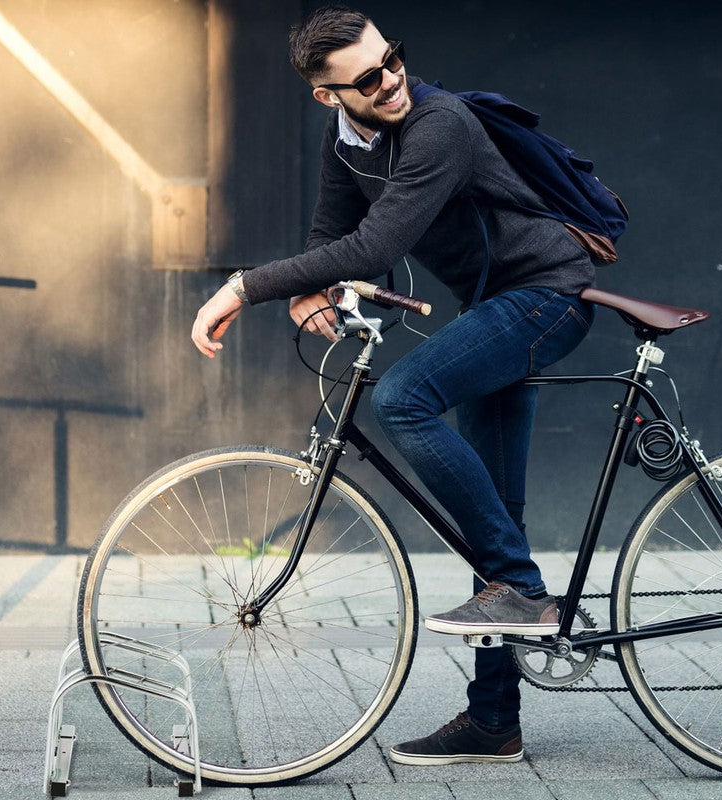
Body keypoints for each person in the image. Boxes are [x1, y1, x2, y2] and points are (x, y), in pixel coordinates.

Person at [192, 4, 595, 767]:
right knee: (492, 513)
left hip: (547, 295)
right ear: (329, 96)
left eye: (393, 60)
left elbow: (379, 243)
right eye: (368, 79)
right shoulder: (345, 136)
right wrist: (312, 285)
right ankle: (493, 722)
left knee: (403, 397)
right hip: (497, 306)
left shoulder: (439, 124)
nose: (391, 81)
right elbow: (333, 231)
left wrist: (247, 286)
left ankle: (520, 588)